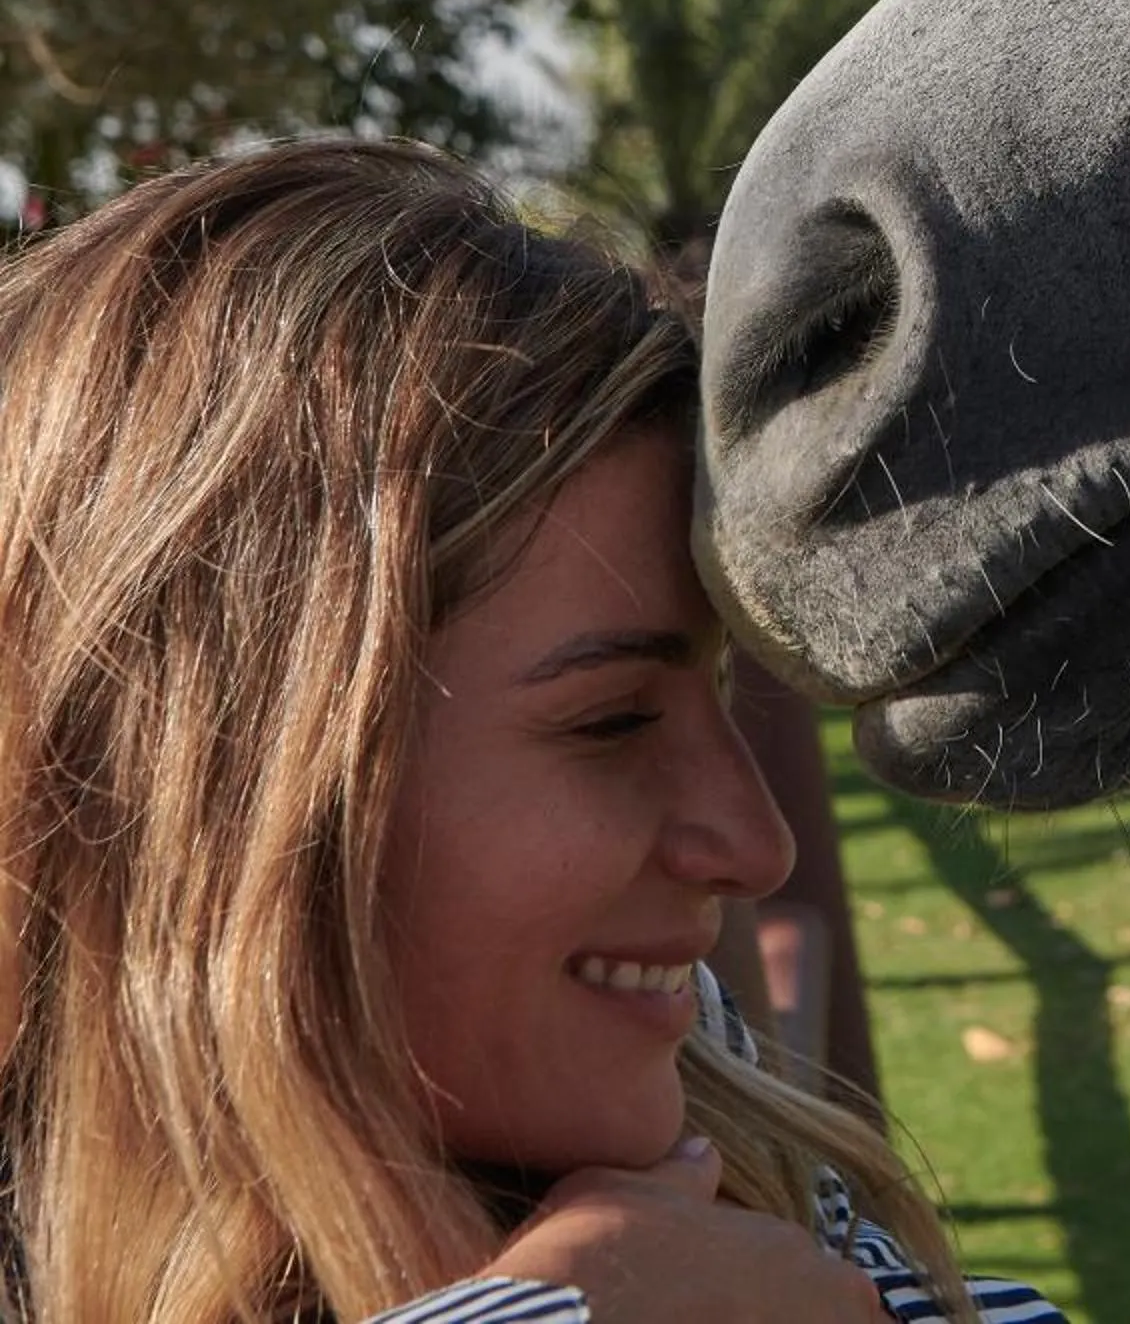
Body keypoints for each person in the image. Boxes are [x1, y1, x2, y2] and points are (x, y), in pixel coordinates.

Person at [0, 138, 1069, 1324]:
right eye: (610, 720)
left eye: (721, 697)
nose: (754, 847)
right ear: (216, 800)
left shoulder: (773, 1225)